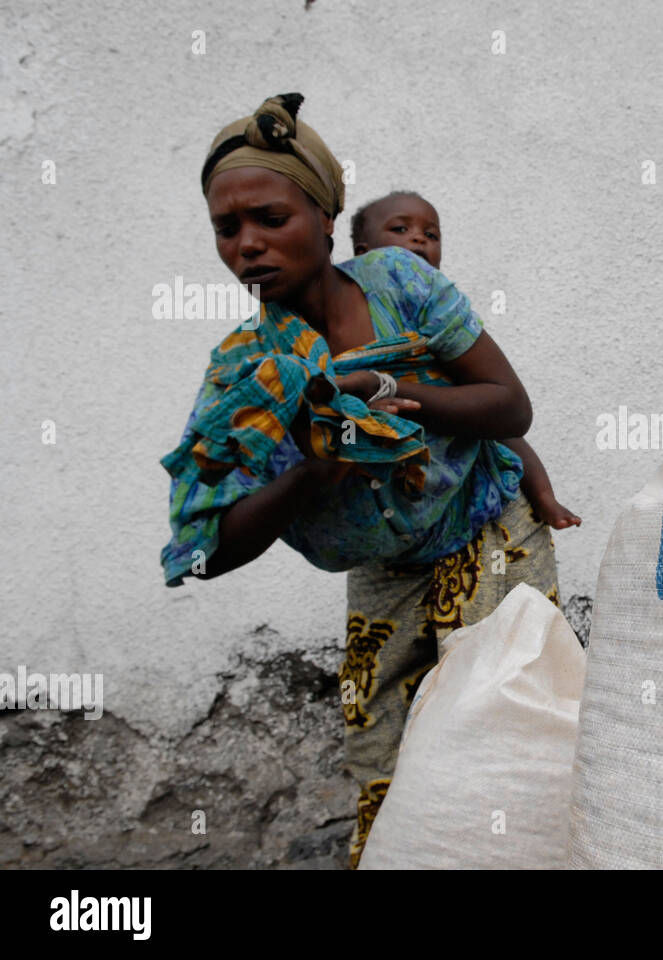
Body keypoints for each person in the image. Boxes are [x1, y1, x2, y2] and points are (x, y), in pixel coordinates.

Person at [161, 93, 563, 868]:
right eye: (226, 228)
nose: (247, 245)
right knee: (385, 750)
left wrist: (394, 398)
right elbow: (206, 550)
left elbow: (510, 403)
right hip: (384, 575)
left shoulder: (401, 287)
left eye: (269, 219)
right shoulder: (247, 374)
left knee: (506, 716)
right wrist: (314, 470)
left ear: (322, 214)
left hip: (484, 524)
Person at [350, 190, 581, 530]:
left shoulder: (440, 316)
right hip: (392, 510)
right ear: (362, 254)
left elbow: (507, 421)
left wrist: (543, 495)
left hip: (468, 467)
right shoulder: (354, 321)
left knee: (499, 435)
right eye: (400, 229)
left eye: (431, 235)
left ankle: (545, 497)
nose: (418, 238)